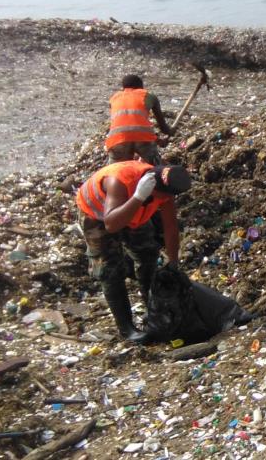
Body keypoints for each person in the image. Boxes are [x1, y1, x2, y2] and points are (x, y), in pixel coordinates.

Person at [76, 161, 191, 342]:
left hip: (133, 210)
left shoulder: (165, 189)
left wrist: (174, 263)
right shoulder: (120, 181)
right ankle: (126, 328)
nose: (163, 200)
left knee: (147, 254)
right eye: (158, 196)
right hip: (98, 214)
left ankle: (152, 310)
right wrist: (138, 197)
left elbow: (170, 227)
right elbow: (111, 224)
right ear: (152, 186)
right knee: (109, 268)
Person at [106, 75, 174, 164]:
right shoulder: (148, 96)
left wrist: (158, 140)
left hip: (118, 138)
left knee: (115, 170)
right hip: (143, 139)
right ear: (141, 86)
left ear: (123, 88)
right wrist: (170, 133)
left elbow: (125, 124)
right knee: (153, 167)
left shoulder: (114, 98)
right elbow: (163, 127)